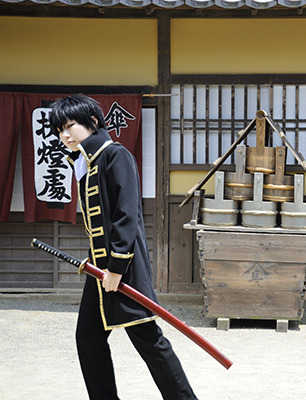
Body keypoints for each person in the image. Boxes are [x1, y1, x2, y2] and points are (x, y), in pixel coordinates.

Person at [49, 94, 198, 400]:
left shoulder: (116, 156)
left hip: (124, 268)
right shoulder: (85, 162)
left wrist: (116, 268)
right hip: (99, 271)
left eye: (69, 126)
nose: (64, 135)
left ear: (92, 122)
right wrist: (103, 268)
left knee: (149, 340)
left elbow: (127, 216)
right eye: (59, 130)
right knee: (88, 338)